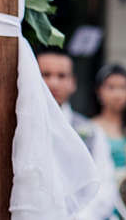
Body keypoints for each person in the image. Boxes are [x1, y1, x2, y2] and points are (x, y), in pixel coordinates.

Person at [38, 47, 119, 220]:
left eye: (61, 76)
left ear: (73, 82)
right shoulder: (18, 126)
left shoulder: (91, 133)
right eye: (45, 74)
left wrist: (82, 216)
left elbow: (105, 185)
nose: (53, 83)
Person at [91, 64, 126, 218]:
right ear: (99, 90)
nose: (117, 94)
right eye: (111, 87)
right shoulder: (90, 129)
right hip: (101, 201)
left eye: (123, 88)